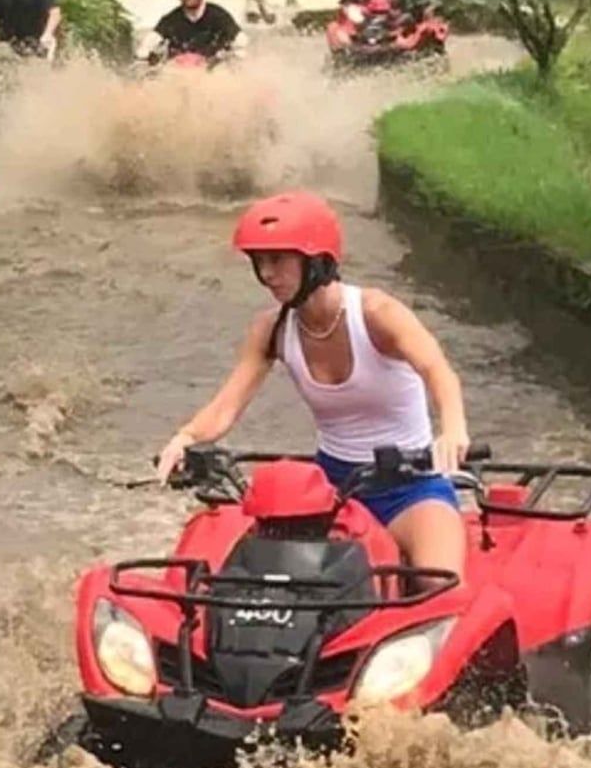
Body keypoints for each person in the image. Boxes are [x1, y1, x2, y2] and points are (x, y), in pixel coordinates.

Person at [153, 191, 472, 584]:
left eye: (277, 260)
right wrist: (185, 437)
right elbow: (227, 406)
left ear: (317, 261)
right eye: (260, 263)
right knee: (265, 585)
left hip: (410, 485)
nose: (267, 274)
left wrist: (453, 429)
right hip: (329, 490)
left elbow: (438, 371)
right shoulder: (272, 329)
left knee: (440, 584)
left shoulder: (377, 314)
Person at [148, 0, 241, 63]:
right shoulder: (170, 20)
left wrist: (230, 54)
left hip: (213, 69)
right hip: (178, 71)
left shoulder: (219, 16)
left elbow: (240, 39)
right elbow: (151, 40)